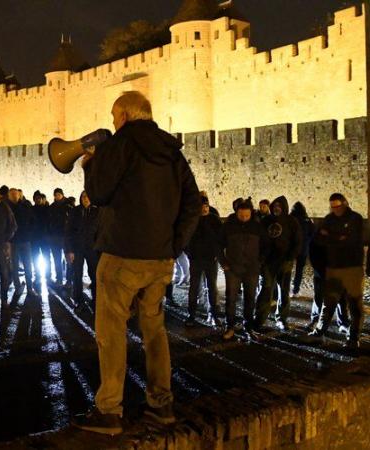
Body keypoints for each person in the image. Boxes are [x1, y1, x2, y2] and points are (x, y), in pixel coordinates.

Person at [73, 91, 200, 434]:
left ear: (126, 116)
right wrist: (173, 245)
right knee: (155, 332)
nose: (113, 123)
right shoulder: (172, 153)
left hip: (121, 256)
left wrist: (89, 165)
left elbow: (98, 194)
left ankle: (110, 411)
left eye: (115, 117)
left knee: (111, 332)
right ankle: (162, 405)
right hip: (159, 259)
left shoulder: (121, 144)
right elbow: (193, 204)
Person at [306, 194, 364, 350]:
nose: (335, 209)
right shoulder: (328, 219)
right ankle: (319, 333)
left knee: (354, 305)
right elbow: (318, 239)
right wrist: (339, 238)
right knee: (329, 303)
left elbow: (352, 241)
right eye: (333, 206)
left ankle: (353, 338)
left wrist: (330, 237)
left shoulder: (355, 219)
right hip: (333, 268)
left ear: (344, 204)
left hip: (352, 268)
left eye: (338, 206)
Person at [219, 199, 270, 340]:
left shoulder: (257, 227)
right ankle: (230, 326)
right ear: (236, 213)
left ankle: (248, 327)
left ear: (250, 213)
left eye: (247, 216)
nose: (244, 218)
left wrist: (260, 261)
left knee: (250, 299)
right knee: (231, 299)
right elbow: (218, 245)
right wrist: (224, 263)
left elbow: (266, 246)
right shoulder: (228, 226)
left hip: (251, 269)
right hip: (233, 269)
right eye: (241, 216)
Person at [254, 196, 302, 331]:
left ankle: (281, 318)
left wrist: (290, 257)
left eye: (279, 207)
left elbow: (298, 241)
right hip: (269, 262)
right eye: (274, 206)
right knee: (265, 290)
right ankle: (259, 318)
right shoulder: (266, 221)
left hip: (284, 262)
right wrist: (261, 258)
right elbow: (260, 240)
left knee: (284, 292)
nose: (276, 209)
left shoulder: (292, 221)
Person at [184, 195, 222, 327]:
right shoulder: (192, 220)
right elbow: (186, 238)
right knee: (194, 288)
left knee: (211, 287)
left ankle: (213, 314)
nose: (204, 209)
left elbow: (220, 239)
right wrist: (189, 253)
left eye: (206, 206)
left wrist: (217, 254)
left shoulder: (214, 220)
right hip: (196, 259)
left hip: (211, 259)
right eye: (202, 206)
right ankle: (191, 314)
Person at [65, 190, 100, 307]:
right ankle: (79, 300)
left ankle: (96, 300)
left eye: (88, 196)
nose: (85, 198)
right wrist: (69, 250)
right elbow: (68, 231)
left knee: (94, 274)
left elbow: (100, 231)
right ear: (80, 198)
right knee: (77, 274)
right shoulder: (75, 211)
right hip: (77, 248)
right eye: (83, 196)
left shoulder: (96, 211)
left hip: (92, 248)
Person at [8, 188, 37, 297]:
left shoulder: (25, 206)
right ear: (9, 196)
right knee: (14, 265)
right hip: (12, 241)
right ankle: (17, 286)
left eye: (16, 194)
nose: (15, 196)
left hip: (25, 240)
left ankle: (30, 288)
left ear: (19, 195)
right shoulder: (6, 207)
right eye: (12, 194)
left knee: (28, 265)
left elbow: (33, 220)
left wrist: (29, 233)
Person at [290, 202, 315, 297]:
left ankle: (285, 289)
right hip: (303, 248)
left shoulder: (291, 219)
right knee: (299, 270)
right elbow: (313, 233)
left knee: (288, 269)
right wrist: (307, 241)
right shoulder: (307, 220)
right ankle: (296, 290)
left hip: (292, 248)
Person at [48, 188, 70, 287]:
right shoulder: (52, 207)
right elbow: (49, 222)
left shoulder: (68, 206)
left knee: (68, 258)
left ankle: (69, 280)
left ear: (62, 195)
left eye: (59, 194)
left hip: (65, 236)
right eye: (56, 195)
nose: (57, 196)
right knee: (57, 259)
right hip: (55, 237)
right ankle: (59, 279)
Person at [31, 191, 51, 284]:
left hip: (44, 238)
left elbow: (50, 223)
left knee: (46, 257)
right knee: (35, 258)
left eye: (40, 198)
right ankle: (38, 275)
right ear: (34, 199)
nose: (38, 200)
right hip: (35, 238)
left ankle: (48, 275)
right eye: (36, 198)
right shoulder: (31, 209)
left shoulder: (47, 209)